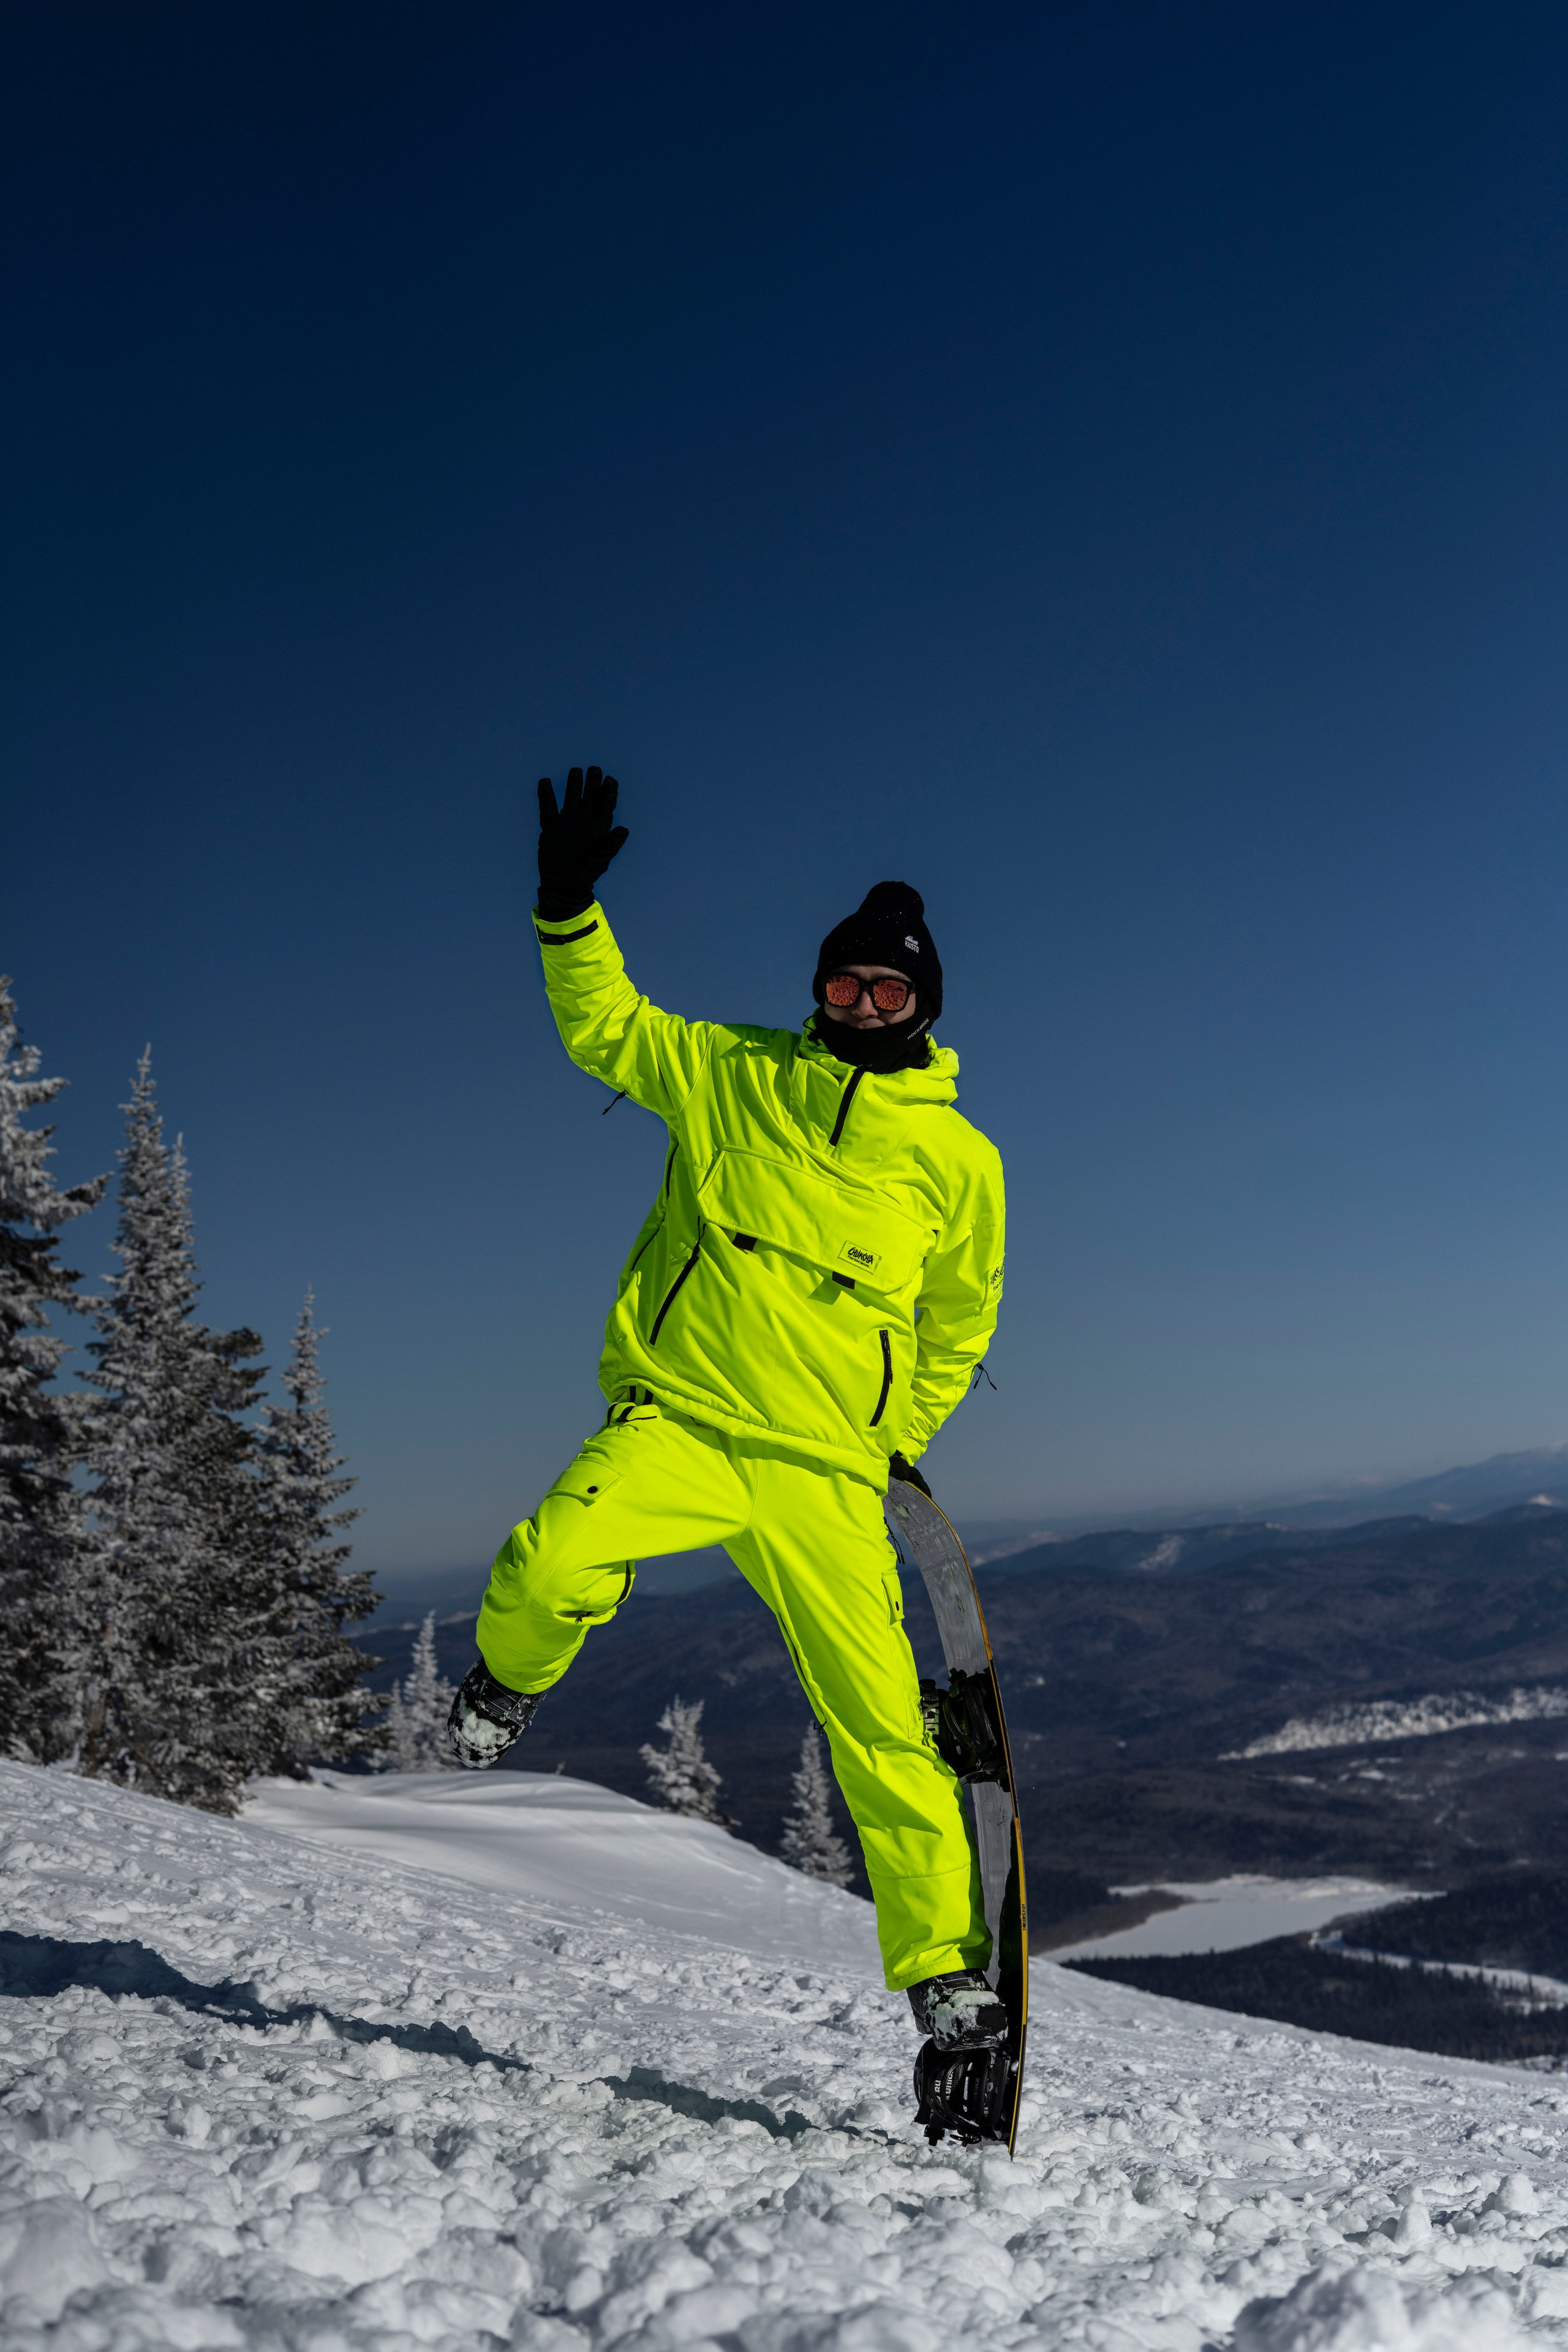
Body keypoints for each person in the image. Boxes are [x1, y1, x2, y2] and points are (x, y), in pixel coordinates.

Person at [449, 766, 1008, 2056]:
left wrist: (892, 1434)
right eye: (841, 984)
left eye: (886, 991)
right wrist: (565, 912)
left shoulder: (957, 1159)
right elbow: (608, 1030)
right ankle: (506, 1683)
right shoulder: (728, 1075)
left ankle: (943, 1973)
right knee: (546, 1564)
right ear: (815, 989)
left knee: (877, 1726)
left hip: (820, 1469)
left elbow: (959, 1315)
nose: (860, 1006)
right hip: (683, 1420)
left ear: (922, 1006)